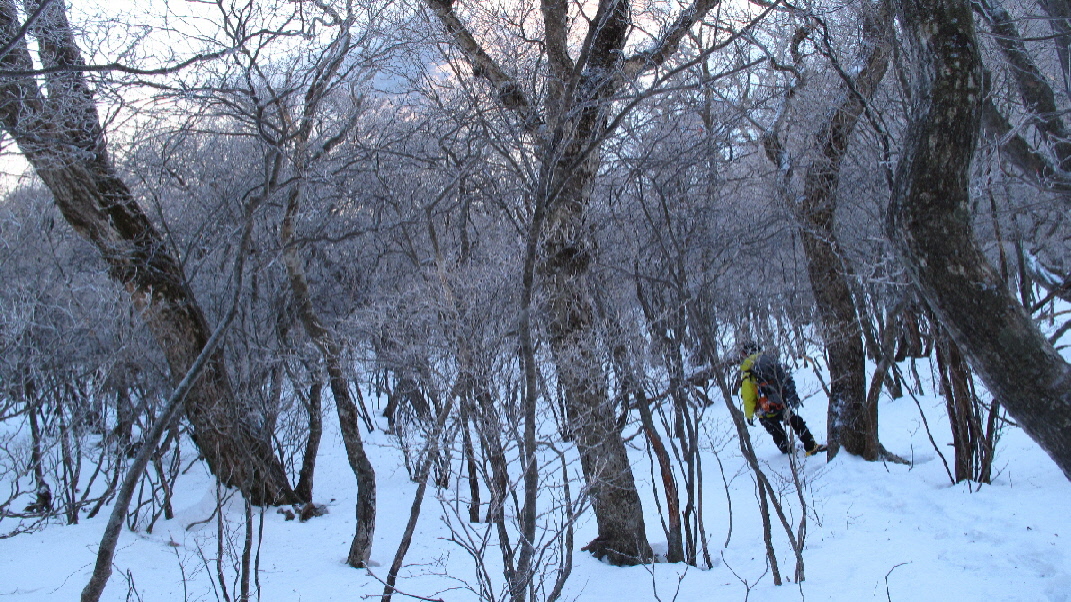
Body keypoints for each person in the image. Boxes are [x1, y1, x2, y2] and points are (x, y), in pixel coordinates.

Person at [738, 342, 827, 456]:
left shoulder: (749, 373)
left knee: (776, 432)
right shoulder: (770, 362)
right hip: (780, 403)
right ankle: (811, 446)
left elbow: (748, 397)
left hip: (764, 410)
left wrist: (749, 415)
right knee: (795, 421)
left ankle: (787, 451)